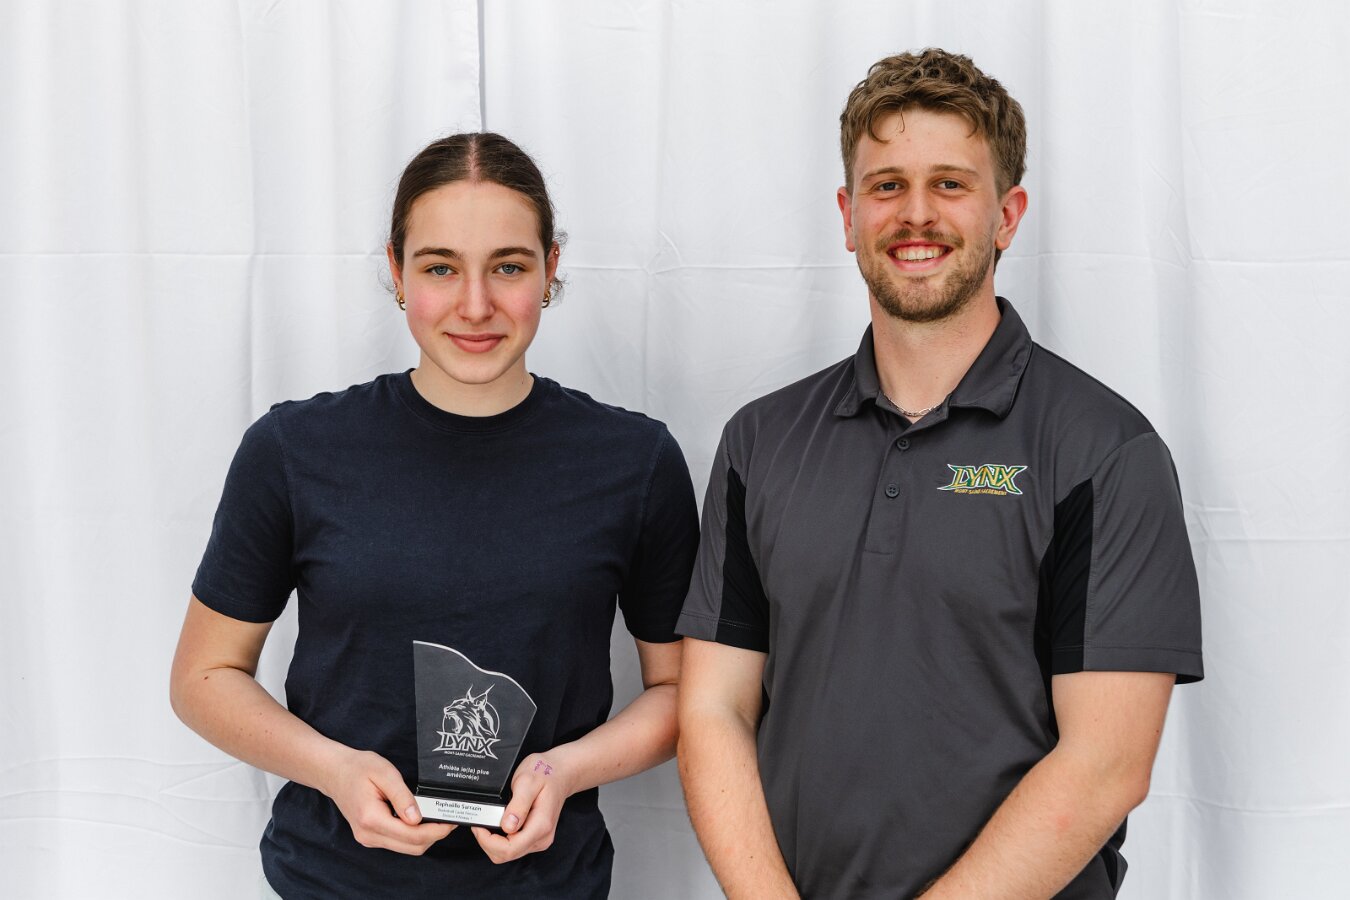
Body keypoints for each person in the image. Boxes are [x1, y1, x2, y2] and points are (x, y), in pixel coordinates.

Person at [675, 48, 1203, 899]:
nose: (915, 214)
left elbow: (1106, 764)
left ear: (1007, 214)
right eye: (886, 186)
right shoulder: (761, 442)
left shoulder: (1104, 451)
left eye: (951, 184)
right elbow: (713, 711)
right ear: (848, 215)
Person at [170, 132, 699, 899]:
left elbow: (683, 692)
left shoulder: (635, 462)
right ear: (396, 270)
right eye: (440, 267)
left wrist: (566, 770)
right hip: (329, 882)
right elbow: (204, 675)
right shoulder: (293, 450)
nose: (475, 305)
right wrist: (335, 769)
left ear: (550, 268)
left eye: (508, 267)